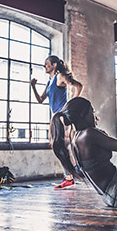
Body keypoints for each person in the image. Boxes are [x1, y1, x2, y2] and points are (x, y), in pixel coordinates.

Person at [31, 55, 83, 189]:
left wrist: (70, 106)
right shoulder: (50, 81)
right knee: (59, 147)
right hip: (55, 118)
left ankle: (75, 172)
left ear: (54, 65)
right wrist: (33, 86)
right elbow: (40, 99)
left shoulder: (60, 76)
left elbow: (78, 86)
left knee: (66, 146)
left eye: (46, 64)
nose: (44, 66)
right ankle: (69, 176)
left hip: (63, 117)